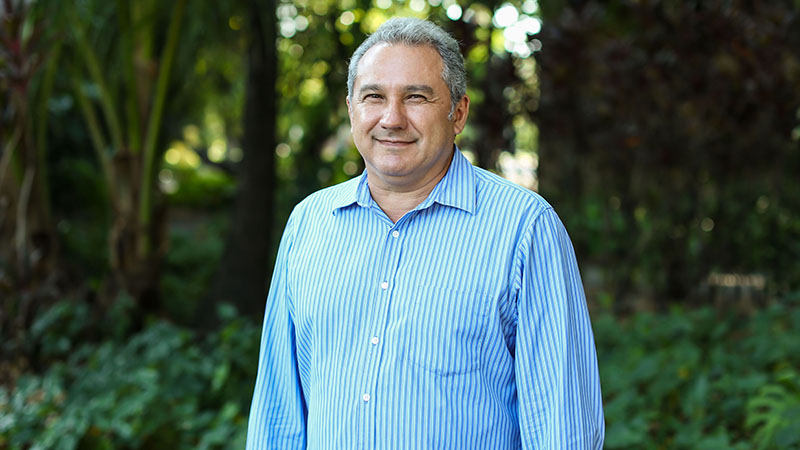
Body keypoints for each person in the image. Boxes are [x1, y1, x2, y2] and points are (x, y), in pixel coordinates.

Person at [246, 17, 604, 449]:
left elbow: (562, 427)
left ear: (458, 113)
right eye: (373, 97)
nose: (391, 119)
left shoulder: (524, 230)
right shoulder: (309, 224)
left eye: (416, 97)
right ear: (351, 109)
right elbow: (278, 414)